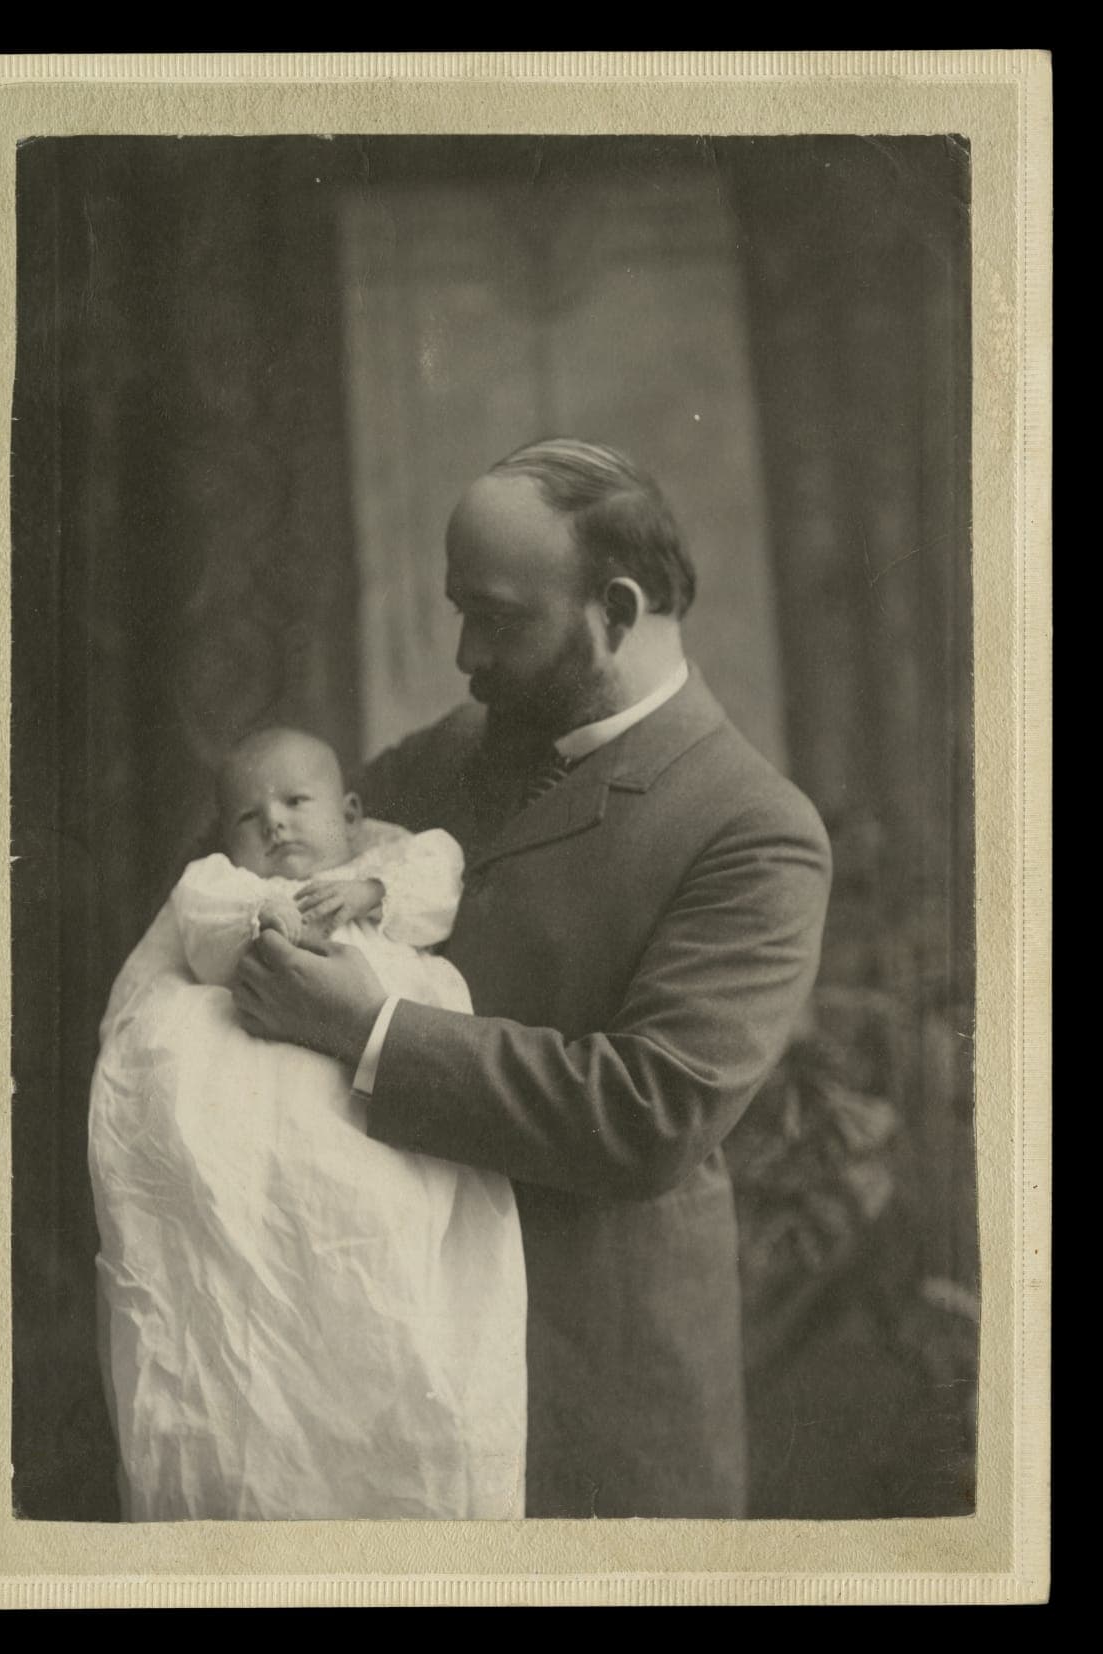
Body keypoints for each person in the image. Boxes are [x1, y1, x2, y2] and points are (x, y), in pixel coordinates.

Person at [231, 440, 833, 1518]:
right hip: (401, 1353)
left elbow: (652, 1111)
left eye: (497, 618)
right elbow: (292, 862)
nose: (465, 655)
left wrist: (373, 1031)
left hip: (588, 1393)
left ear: (616, 606)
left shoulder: (755, 829)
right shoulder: (456, 748)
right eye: (458, 609)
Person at [88, 726, 528, 1521]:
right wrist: (267, 913)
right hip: (250, 1082)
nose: (277, 826)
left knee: (385, 1244)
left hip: (379, 1086)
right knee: (244, 1213)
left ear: (351, 814)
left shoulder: (387, 863)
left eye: (296, 803)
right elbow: (206, 930)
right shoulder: (222, 884)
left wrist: (371, 894)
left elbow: (440, 882)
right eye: (251, 819)